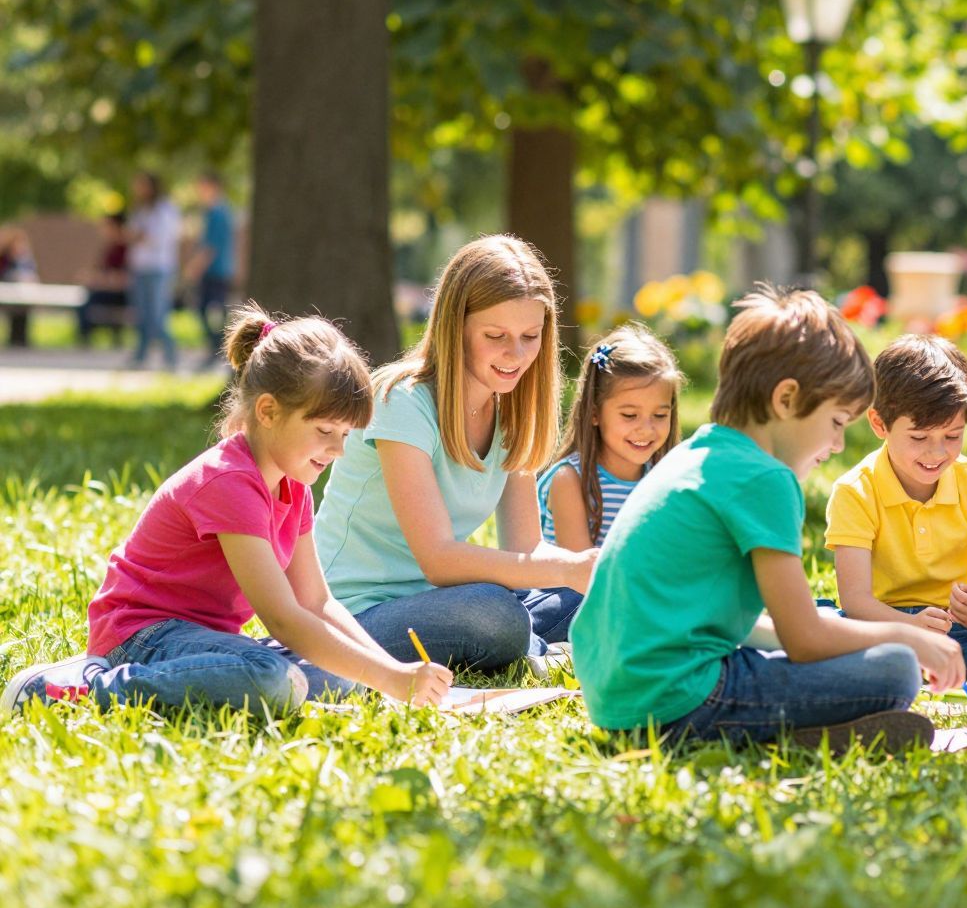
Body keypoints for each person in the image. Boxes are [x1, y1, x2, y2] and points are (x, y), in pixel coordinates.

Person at [3, 307, 452, 714]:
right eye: (324, 431)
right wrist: (389, 678)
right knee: (272, 679)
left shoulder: (294, 484)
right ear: (268, 411)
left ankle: (226, 678)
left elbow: (315, 601)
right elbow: (283, 618)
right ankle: (78, 688)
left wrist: (389, 670)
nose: (337, 450)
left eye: (346, 435)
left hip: (205, 641)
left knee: (340, 676)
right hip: (141, 636)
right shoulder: (230, 482)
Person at [572, 286, 962, 752]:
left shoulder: (695, 455)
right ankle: (789, 737)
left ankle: (801, 733)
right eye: (837, 422)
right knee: (896, 668)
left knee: (834, 626)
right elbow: (805, 639)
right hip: (682, 701)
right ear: (787, 399)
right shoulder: (765, 478)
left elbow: (748, 625)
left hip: (618, 702)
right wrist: (906, 635)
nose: (838, 444)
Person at [314, 234, 590, 674]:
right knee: (496, 614)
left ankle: (544, 645)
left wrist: (585, 568)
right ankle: (548, 650)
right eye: (495, 335)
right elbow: (439, 560)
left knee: (591, 594)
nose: (516, 354)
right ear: (455, 327)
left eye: (530, 336)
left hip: (442, 603)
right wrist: (567, 567)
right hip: (354, 616)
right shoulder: (401, 401)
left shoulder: (511, 412)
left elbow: (526, 548)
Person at [826, 334, 967, 681]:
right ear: (879, 424)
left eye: (952, 436)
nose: (936, 453)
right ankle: (922, 660)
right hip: (885, 624)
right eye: (919, 438)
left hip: (958, 626)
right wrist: (909, 628)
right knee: (824, 624)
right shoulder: (855, 490)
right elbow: (855, 600)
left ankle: (918, 663)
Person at [540, 324, 683, 549]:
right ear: (595, 414)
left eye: (660, 415)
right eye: (630, 415)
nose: (646, 429)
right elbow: (579, 567)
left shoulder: (664, 479)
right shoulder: (569, 480)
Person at [126, 173, 182, 370]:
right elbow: (132, 234)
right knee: (141, 314)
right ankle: (140, 356)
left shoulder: (165, 210)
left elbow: (159, 237)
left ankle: (170, 356)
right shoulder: (139, 210)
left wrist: (140, 236)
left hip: (159, 269)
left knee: (158, 316)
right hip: (140, 267)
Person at [191, 172, 239, 358]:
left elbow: (211, 246)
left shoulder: (218, 212)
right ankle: (218, 345)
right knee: (212, 308)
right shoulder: (216, 211)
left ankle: (218, 345)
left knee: (210, 308)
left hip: (216, 270)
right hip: (218, 269)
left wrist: (195, 267)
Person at [78, 210, 131, 346]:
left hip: (122, 293)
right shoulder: (110, 248)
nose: (103, 231)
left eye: (107, 226)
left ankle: (87, 340)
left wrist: (100, 279)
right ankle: (86, 339)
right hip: (107, 289)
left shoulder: (127, 249)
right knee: (85, 301)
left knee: (88, 304)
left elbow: (123, 278)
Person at [0, 226, 35, 348]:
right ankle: (15, 338)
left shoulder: (24, 259)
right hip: (6, 292)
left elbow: (30, 273)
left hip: (22, 294)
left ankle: (20, 338)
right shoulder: (4, 258)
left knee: (22, 309)